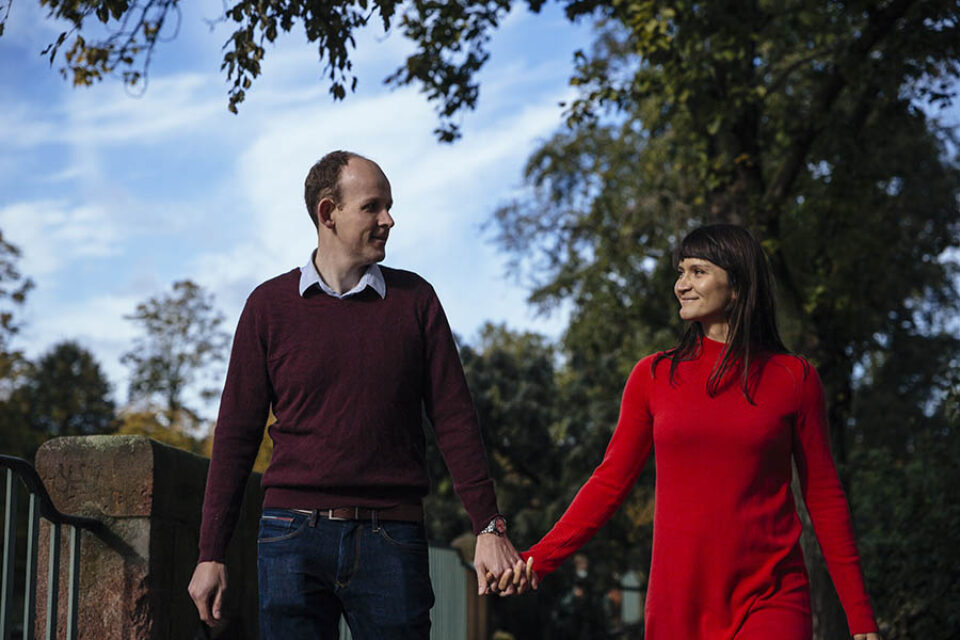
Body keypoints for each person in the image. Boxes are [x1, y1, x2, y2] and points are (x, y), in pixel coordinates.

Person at [188, 151, 531, 639]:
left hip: (392, 538)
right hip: (289, 538)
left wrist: (489, 527)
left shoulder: (416, 301)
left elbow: (456, 420)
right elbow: (236, 437)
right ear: (328, 213)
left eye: (388, 206)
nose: (389, 219)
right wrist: (211, 553)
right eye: (373, 207)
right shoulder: (268, 307)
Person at [519, 224, 880, 639]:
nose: (681, 285)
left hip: (771, 595)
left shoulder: (795, 379)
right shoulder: (653, 376)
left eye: (697, 272)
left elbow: (824, 496)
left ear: (738, 286)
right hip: (678, 604)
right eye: (680, 271)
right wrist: (539, 559)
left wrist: (861, 618)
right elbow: (609, 482)